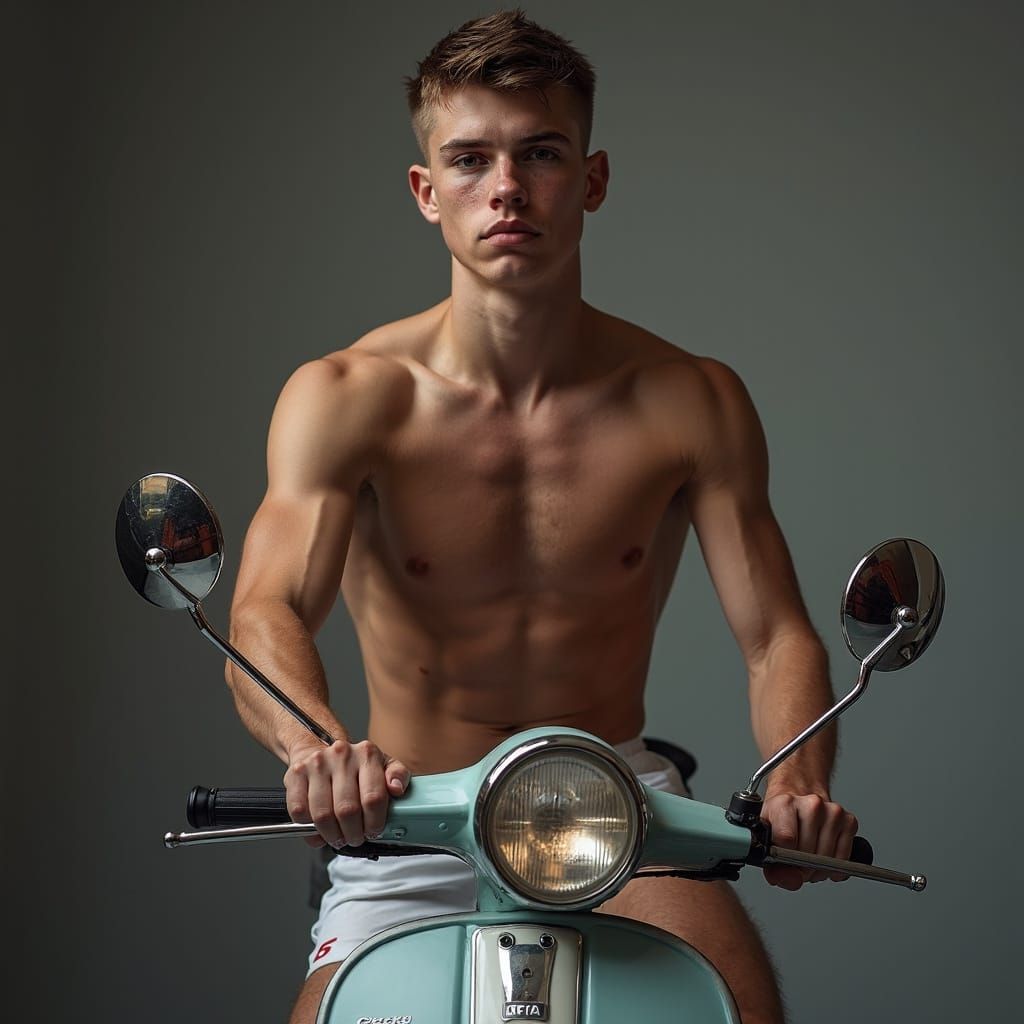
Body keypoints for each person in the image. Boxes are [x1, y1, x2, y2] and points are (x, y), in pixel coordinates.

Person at [224, 10, 858, 1024]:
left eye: (540, 154)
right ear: (426, 192)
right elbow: (263, 609)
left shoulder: (689, 398)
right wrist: (319, 755)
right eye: (469, 160)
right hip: (414, 814)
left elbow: (775, 630)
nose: (506, 188)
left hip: (613, 806)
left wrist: (793, 784)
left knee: (740, 1007)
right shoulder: (347, 396)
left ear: (592, 179)